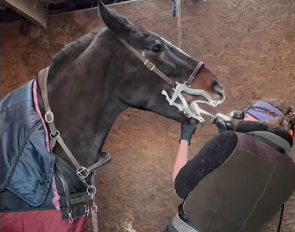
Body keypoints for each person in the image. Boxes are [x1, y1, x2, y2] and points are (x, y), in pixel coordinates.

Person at [165, 99, 295, 232]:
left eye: (246, 114)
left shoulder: (231, 141)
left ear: (259, 119)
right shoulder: (290, 171)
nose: (242, 118)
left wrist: (185, 138)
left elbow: (180, 187)